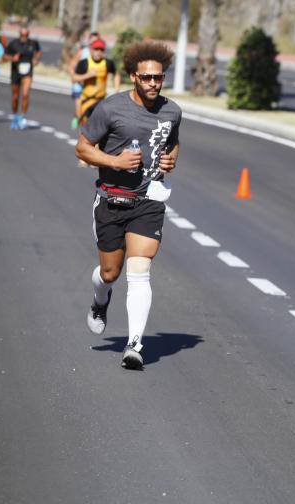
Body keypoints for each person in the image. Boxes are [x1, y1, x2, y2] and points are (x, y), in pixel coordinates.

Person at [75, 41, 181, 370]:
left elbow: (173, 142)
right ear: (134, 76)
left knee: (140, 271)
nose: (153, 83)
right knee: (110, 273)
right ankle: (100, 299)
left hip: (148, 199)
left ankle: (134, 345)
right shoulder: (111, 108)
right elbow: (82, 148)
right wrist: (114, 161)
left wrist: (170, 160)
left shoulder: (172, 111)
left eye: (158, 77)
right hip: (111, 198)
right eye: (146, 77)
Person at [72, 38, 120, 127]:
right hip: (86, 100)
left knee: (100, 127)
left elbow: (116, 74)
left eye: (101, 50)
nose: (98, 52)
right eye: (96, 49)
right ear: (91, 50)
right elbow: (74, 78)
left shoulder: (108, 63)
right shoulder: (84, 63)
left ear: (104, 51)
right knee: (84, 127)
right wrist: (87, 75)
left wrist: (116, 89)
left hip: (100, 100)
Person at [4, 25, 42, 130]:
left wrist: (36, 58)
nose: (24, 36)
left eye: (26, 35)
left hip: (28, 71)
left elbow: (39, 51)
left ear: (28, 35)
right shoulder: (13, 43)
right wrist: (13, 58)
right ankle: (15, 116)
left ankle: (23, 116)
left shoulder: (33, 43)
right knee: (15, 96)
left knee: (25, 94)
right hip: (16, 72)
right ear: (19, 34)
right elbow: (5, 56)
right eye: (22, 34)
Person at [69, 31, 102, 129]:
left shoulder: (99, 55)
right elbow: (71, 65)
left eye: (96, 41)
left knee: (90, 110)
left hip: (92, 87)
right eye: (92, 41)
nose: (94, 43)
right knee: (80, 109)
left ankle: (82, 121)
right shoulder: (83, 52)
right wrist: (73, 77)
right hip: (79, 85)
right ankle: (78, 119)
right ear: (89, 41)